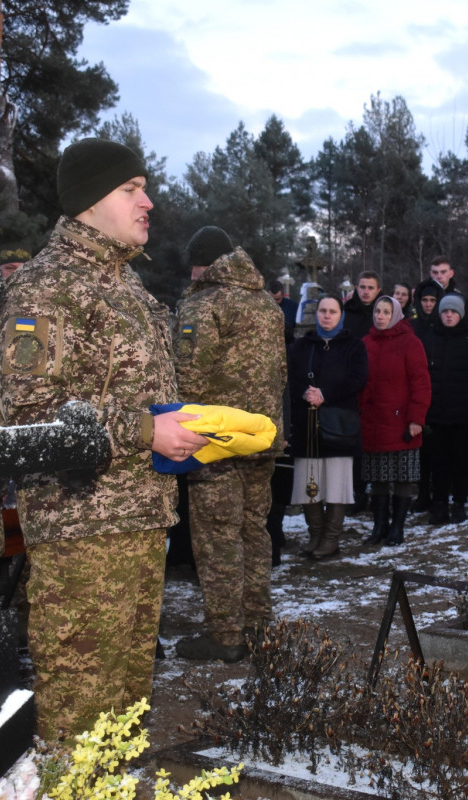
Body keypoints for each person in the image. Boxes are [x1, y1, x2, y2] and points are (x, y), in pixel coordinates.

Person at [0, 138, 208, 739]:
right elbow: (29, 414)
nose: (149, 201)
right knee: (81, 718)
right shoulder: (47, 289)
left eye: (143, 187)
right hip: (81, 529)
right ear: (88, 204)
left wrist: (183, 427)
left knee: (122, 717)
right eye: (130, 189)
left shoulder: (127, 287)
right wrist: (146, 430)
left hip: (138, 518)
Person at [172, 226, 286, 663]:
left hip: (214, 440)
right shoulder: (265, 304)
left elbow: (189, 377)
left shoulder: (203, 304)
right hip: (260, 436)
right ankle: (258, 624)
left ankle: (225, 634)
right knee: (254, 531)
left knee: (218, 536)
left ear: (201, 264)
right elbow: (278, 371)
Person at [287, 294, 368, 559]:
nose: (327, 316)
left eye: (332, 311)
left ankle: (331, 539)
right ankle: (315, 535)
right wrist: (306, 393)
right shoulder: (302, 346)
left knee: (335, 483)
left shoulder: (353, 345)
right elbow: (290, 376)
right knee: (308, 482)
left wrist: (326, 393)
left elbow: (358, 378)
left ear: (340, 315)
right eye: (323, 310)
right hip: (307, 423)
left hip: (339, 425)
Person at [360, 295, 430, 546]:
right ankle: (380, 526)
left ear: (396, 314)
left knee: (402, 477)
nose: (380, 316)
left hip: (402, 422)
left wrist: (416, 419)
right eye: (377, 311)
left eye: (386, 312)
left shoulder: (410, 343)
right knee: (378, 478)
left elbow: (421, 383)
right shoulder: (365, 343)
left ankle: (397, 528)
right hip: (373, 423)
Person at [423, 293, 468, 525]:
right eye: (445, 311)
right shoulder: (429, 342)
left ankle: (459, 503)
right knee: (438, 463)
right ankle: (439, 503)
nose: (448, 315)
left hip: (462, 418)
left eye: (453, 311)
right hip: (436, 416)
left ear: (460, 315)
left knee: (460, 463)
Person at [342, 270, 381, 340]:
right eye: (362, 287)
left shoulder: (386, 314)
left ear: (378, 290)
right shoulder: (345, 313)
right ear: (356, 289)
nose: (366, 292)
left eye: (370, 288)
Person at [268, 279, 298, 344]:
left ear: (282, 295)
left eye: (277, 299)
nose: (274, 303)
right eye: (271, 299)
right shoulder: (261, 307)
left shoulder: (293, 307)